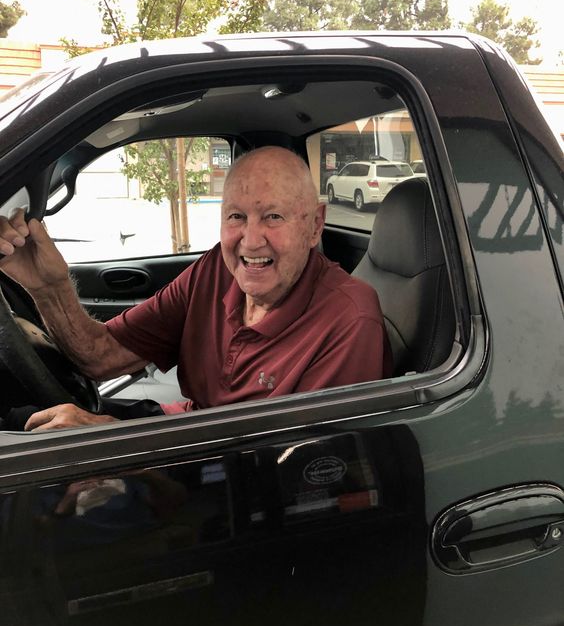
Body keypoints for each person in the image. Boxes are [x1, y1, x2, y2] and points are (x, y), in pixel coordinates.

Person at [0, 146, 391, 432]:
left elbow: (298, 475)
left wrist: (104, 437)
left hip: (231, 477)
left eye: (273, 216)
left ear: (315, 225)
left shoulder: (350, 318)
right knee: (25, 423)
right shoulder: (214, 271)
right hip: (189, 431)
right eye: (236, 217)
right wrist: (47, 286)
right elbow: (101, 357)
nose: (251, 241)